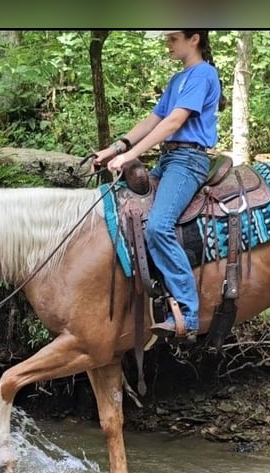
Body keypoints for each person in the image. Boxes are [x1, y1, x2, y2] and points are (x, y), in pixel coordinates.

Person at [92, 30, 225, 338]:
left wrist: (131, 157)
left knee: (158, 226)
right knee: (128, 217)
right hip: (168, 160)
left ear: (194, 39)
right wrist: (115, 149)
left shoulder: (204, 74)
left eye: (173, 38)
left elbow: (174, 122)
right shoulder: (178, 79)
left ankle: (190, 314)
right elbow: (152, 120)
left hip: (189, 161)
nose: (168, 44)